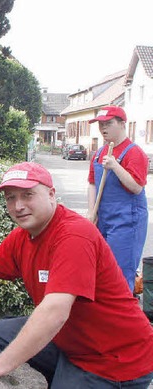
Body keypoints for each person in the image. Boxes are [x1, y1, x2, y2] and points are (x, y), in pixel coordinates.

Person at [0, 162, 153, 388]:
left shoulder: (74, 236)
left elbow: (55, 311)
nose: (18, 206)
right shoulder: (25, 235)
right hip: (73, 339)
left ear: (50, 194)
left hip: (113, 359)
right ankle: (62, 374)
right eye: (10, 198)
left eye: (28, 195)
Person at [86, 106, 148, 292]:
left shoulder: (134, 152)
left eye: (108, 123)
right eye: (101, 125)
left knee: (121, 273)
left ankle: (124, 317)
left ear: (122, 124)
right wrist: (91, 212)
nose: (103, 128)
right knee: (101, 270)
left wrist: (115, 166)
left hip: (127, 221)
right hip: (103, 219)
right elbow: (92, 183)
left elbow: (136, 187)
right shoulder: (98, 153)